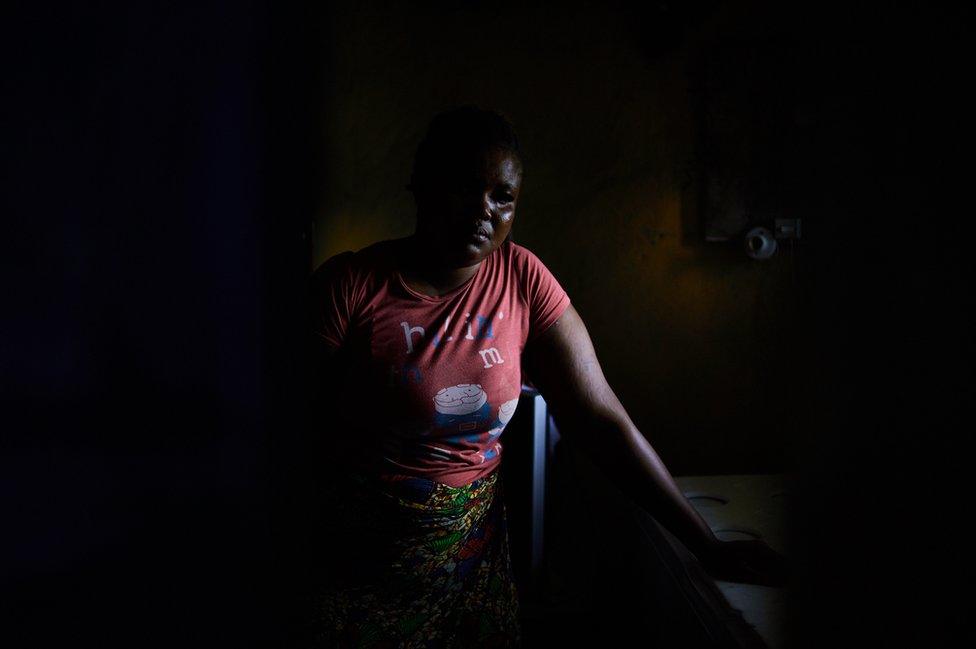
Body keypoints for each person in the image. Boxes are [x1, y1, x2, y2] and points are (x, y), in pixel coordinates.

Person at [303, 106, 788, 648]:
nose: (483, 210)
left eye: (502, 196)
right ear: (420, 186)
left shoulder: (522, 278)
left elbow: (601, 419)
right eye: (465, 187)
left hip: (470, 569)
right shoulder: (350, 288)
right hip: (358, 568)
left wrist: (708, 546)